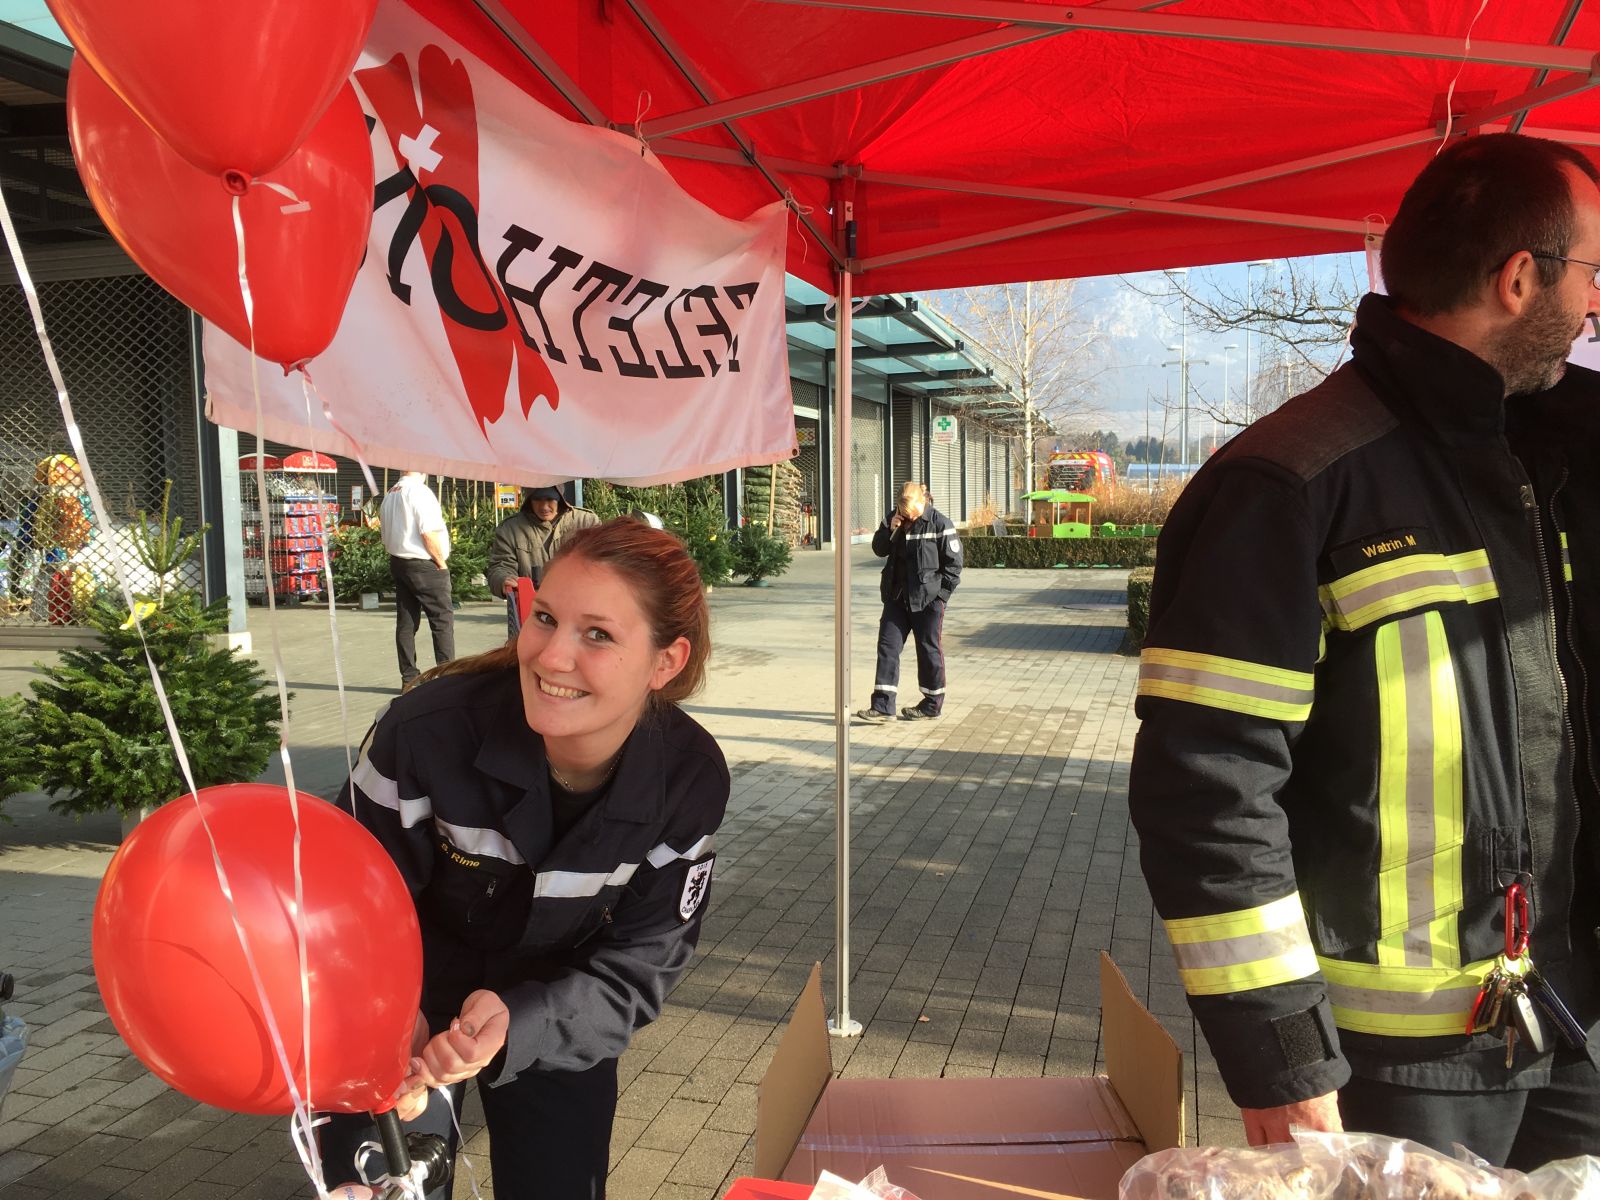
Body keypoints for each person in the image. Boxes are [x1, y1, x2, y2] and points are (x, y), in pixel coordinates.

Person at [1128, 132, 1600, 1168]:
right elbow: (1206, 789)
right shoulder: (1291, 484)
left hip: (1564, 1027)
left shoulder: (1547, 461)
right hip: (1387, 1072)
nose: (1593, 307)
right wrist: (1284, 1060)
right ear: (1521, 279)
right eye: (1591, 275)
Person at [324, 518, 727, 1199]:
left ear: (666, 661)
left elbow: (642, 963)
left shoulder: (686, 780)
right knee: (383, 1182)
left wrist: (527, 1023)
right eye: (545, 618)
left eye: (598, 634)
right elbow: (339, 911)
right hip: (400, 995)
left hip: (558, 1003)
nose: (551, 657)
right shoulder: (424, 733)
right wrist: (386, 1017)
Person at [856, 481, 962, 723]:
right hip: (897, 597)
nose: (908, 518)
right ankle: (883, 706)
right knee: (887, 646)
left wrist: (940, 598)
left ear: (922, 502)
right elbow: (879, 549)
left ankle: (931, 704)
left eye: (911, 514)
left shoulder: (940, 524)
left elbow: (954, 566)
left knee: (928, 650)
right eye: (903, 514)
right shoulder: (893, 518)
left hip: (928, 601)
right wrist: (889, 530)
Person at [487, 484, 600, 636]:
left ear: (560, 499)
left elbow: (604, 561)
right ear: (529, 500)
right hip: (531, 615)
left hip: (580, 612)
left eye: (550, 499)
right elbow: (500, 565)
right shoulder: (510, 528)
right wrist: (503, 580)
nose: (544, 506)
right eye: (538, 499)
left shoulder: (586, 521)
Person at [380, 470, 454, 689]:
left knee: (406, 622)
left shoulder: (391, 493)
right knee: (441, 620)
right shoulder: (420, 492)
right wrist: (440, 562)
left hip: (399, 562)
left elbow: (385, 533)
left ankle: (408, 678)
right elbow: (428, 532)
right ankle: (447, 678)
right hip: (424, 563)